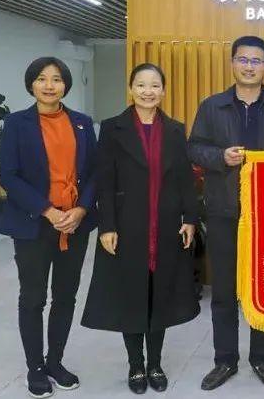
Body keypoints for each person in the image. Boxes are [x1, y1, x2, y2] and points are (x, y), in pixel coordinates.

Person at [81, 63, 201, 394]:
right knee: (131, 294)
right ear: (131, 89)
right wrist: (107, 225)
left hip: (165, 225)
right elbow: (105, 180)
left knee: (158, 295)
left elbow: (184, 179)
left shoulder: (175, 130)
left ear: (163, 90)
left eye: (155, 85)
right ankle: (135, 364)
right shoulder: (113, 128)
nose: (148, 91)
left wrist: (190, 218)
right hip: (127, 225)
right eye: (141, 85)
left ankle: (155, 363)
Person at [187, 35, 264, 390]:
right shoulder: (212, 106)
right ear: (233, 63)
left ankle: (262, 358)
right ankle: (225, 360)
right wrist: (220, 157)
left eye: (256, 60)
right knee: (224, 290)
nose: (249, 66)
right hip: (223, 211)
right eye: (243, 59)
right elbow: (194, 148)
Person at [0, 57, 98, 398]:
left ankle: (55, 362)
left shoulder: (82, 123)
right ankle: (35, 368)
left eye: (56, 79)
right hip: (34, 224)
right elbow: (8, 176)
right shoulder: (16, 123)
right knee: (33, 297)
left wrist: (81, 209)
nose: (49, 85)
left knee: (65, 296)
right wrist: (48, 211)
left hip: (75, 224)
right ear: (31, 84)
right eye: (42, 78)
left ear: (66, 85)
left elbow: (95, 172)